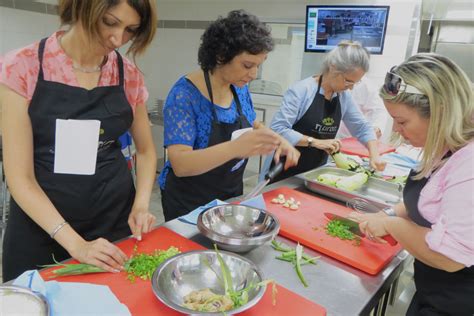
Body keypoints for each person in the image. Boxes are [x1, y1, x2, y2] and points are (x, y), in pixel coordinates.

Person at [0, 0, 158, 281]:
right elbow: (19, 176)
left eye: (130, 30)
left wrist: (142, 204)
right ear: (83, 8)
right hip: (43, 226)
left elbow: (146, 152)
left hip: (113, 220)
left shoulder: (128, 76)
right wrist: (76, 245)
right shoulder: (22, 67)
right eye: (109, 22)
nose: (118, 39)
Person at [348, 53, 474, 315]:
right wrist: (389, 213)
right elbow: (427, 197)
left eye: (403, 121)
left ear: (440, 111)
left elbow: (450, 257)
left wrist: (392, 225)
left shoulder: (469, 164)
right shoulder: (447, 148)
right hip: (433, 292)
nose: (396, 128)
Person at [159, 10, 299, 221]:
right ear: (221, 56)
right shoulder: (184, 95)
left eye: (258, 66)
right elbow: (180, 164)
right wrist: (235, 148)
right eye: (247, 65)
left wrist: (279, 140)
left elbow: (253, 123)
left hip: (230, 193)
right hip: (188, 201)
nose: (253, 75)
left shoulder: (238, 87)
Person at [262, 41, 385, 183]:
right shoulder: (301, 91)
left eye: (355, 83)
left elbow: (362, 127)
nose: (350, 88)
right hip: (283, 171)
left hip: (314, 173)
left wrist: (374, 155)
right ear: (333, 68)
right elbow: (278, 129)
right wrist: (315, 142)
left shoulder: (343, 96)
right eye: (348, 81)